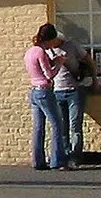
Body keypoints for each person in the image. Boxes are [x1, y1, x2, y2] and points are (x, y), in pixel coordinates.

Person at [23, 24, 72, 171]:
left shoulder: (30, 51)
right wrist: (58, 63)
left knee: (38, 127)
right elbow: (49, 74)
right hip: (45, 90)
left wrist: (52, 61)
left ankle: (38, 161)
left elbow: (36, 69)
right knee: (57, 124)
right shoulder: (41, 52)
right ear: (49, 39)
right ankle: (57, 160)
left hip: (34, 91)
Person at [56, 33, 95, 164]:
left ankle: (75, 157)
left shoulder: (72, 46)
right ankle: (65, 154)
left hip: (74, 90)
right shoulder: (47, 49)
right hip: (57, 91)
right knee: (62, 126)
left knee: (75, 125)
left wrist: (95, 79)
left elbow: (88, 59)